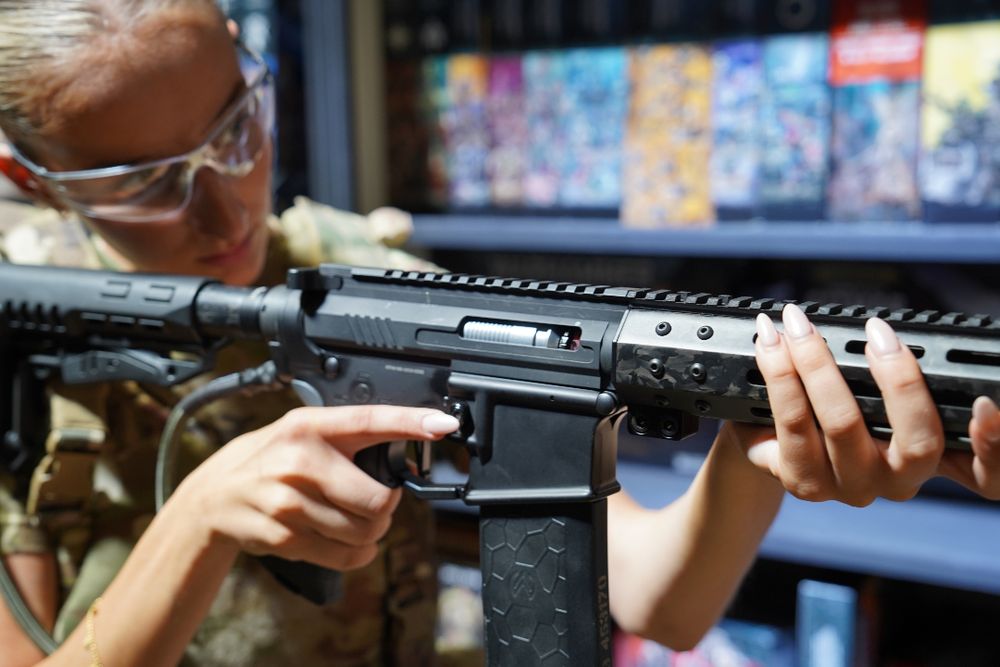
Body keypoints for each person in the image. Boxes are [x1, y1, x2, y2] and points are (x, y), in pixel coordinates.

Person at [0, 2, 997, 666]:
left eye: (236, 132)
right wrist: (200, 518)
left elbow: (662, 601)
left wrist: (756, 445)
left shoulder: (377, 282)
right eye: (141, 184)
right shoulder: (24, 351)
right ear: (28, 180)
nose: (224, 214)